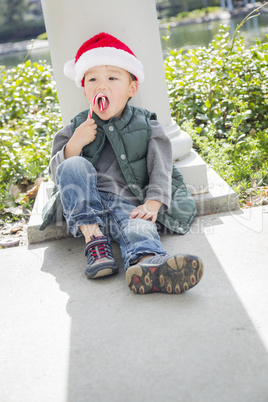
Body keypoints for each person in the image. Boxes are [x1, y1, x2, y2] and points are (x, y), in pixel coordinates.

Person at [42, 32, 204, 294]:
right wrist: (74, 145)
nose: (101, 85)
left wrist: (153, 203)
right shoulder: (74, 128)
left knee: (139, 226)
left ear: (131, 88)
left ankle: (148, 265)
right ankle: (95, 244)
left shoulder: (148, 125)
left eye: (112, 78)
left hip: (128, 205)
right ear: (84, 89)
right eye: (93, 79)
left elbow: (161, 168)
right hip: (85, 210)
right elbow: (56, 174)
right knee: (73, 165)